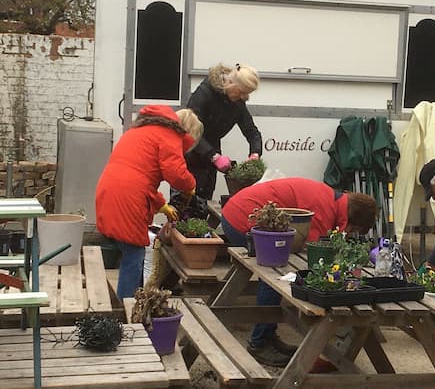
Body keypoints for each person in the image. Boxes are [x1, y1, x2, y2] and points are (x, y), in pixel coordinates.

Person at [221, 177, 378, 367]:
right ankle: (259, 343)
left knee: (276, 267)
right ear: (353, 220)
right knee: (275, 272)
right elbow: (311, 254)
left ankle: (268, 336)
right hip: (241, 218)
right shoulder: (324, 209)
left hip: (237, 211)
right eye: (354, 229)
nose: (350, 232)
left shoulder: (330, 199)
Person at [96, 105, 201, 300]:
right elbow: (176, 174)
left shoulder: (143, 130)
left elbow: (142, 173)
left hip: (111, 188)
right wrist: (191, 185)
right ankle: (128, 311)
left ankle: (134, 300)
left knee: (130, 251)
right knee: (133, 255)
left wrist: (161, 205)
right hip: (128, 195)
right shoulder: (170, 136)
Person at [186, 63, 262, 200]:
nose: (242, 97)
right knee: (186, 205)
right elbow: (189, 130)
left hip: (211, 161)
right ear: (231, 83)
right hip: (190, 156)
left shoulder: (237, 103)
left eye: (246, 94)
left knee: (204, 204)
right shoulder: (204, 93)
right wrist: (214, 156)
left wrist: (255, 155)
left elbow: (252, 132)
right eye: (240, 92)